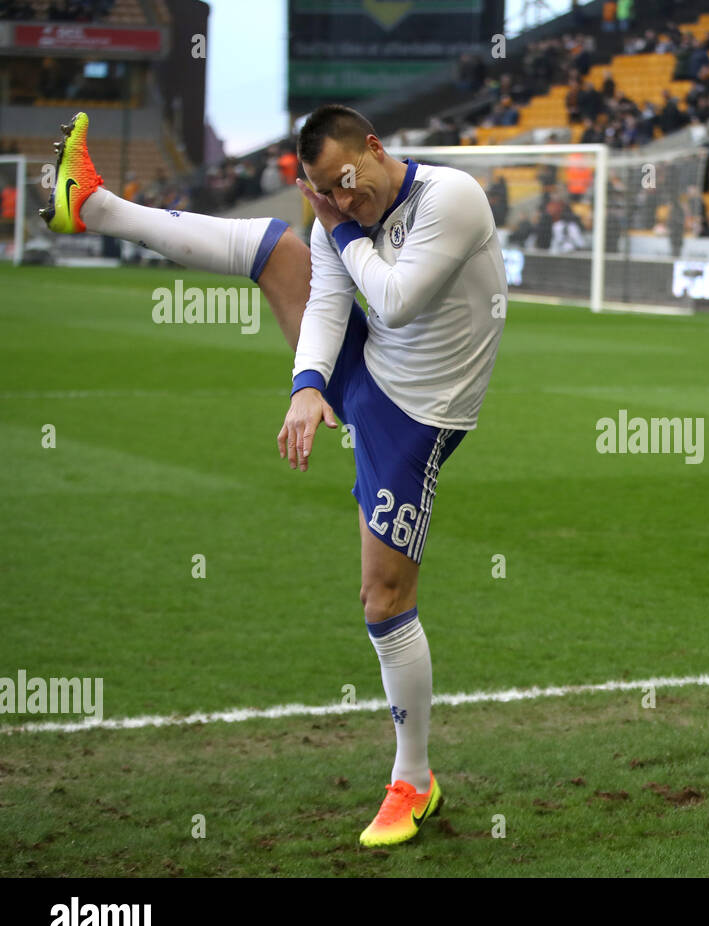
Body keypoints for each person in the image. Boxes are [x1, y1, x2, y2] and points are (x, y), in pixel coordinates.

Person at [41, 108, 507, 847]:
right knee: (275, 248)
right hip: (369, 372)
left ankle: (413, 779)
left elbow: (393, 298)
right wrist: (307, 385)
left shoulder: (452, 198)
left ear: (377, 150)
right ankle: (94, 205)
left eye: (349, 186)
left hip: (418, 417)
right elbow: (328, 300)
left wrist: (340, 228)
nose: (344, 204)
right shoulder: (335, 218)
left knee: (382, 598)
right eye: (329, 193)